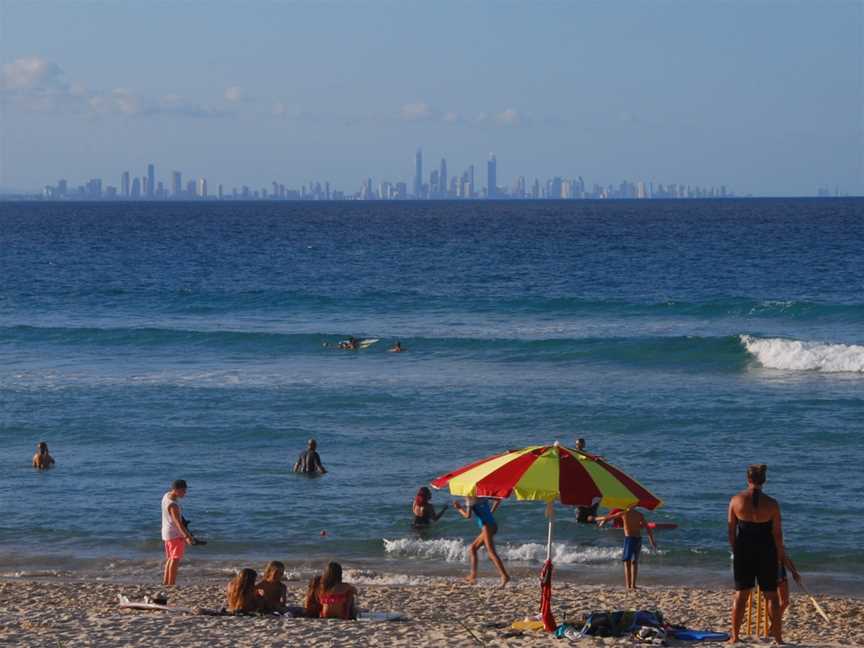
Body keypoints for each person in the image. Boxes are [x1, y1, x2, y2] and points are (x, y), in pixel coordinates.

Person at [727, 464, 785, 644]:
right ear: (764, 480)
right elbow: (777, 534)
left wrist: (737, 550)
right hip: (766, 551)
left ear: (748, 479)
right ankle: (778, 637)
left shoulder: (736, 500)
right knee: (771, 596)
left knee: (741, 595)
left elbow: (731, 532)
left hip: (744, 549)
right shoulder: (772, 504)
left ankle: (735, 636)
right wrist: (781, 554)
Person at [596, 506, 657, 590]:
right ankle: (633, 585)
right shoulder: (640, 515)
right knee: (634, 562)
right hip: (638, 539)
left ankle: (628, 586)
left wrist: (595, 518)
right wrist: (651, 541)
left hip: (629, 539)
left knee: (627, 562)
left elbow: (607, 517)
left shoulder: (623, 513)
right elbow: (648, 528)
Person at [453, 497, 510, 586]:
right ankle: (473, 576)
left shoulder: (470, 499)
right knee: (473, 548)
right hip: (492, 524)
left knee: (491, 553)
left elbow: (468, 516)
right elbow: (498, 500)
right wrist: (491, 513)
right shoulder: (482, 495)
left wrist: (459, 508)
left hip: (486, 526)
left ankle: (505, 576)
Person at [161, 479, 195, 586]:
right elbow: (177, 523)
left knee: (170, 559)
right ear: (176, 490)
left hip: (167, 533)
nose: (185, 493)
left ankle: (166, 582)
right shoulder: (173, 505)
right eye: (183, 491)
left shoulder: (166, 496)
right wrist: (187, 536)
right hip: (175, 535)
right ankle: (171, 584)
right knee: (175, 560)